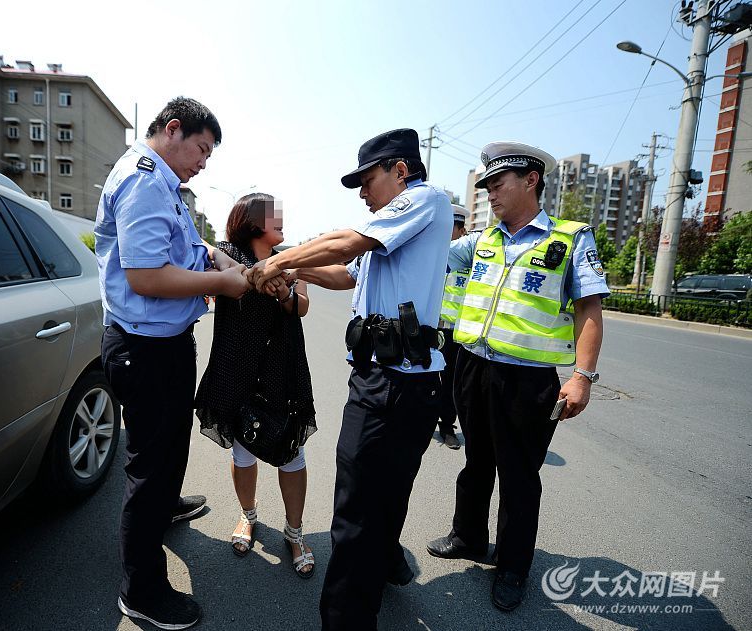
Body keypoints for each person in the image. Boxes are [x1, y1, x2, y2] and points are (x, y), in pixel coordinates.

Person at [247, 128, 453, 631]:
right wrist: (299, 273)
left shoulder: (424, 200)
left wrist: (276, 261)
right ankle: (384, 564)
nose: (363, 192)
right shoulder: (394, 225)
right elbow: (348, 271)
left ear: (400, 170)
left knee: (355, 511)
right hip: (396, 381)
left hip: (395, 383)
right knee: (386, 492)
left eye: (368, 179)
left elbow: (347, 241)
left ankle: (346, 620)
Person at [426, 142, 609, 612]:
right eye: (485, 186)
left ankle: (511, 567)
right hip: (473, 368)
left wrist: (582, 376)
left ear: (531, 180)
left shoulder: (569, 239)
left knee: (520, 476)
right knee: (476, 462)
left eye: (498, 184)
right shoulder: (482, 241)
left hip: (528, 381)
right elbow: (433, 258)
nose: (490, 194)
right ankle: (468, 537)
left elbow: (589, 308)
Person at [95, 97, 250, 630]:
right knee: (149, 467)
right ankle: (141, 591)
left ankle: (164, 506)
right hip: (145, 349)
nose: (204, 162)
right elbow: (146, 276)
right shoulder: (143, 180)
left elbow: (182, 244)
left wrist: (213, 255)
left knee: (167, 449)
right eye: (202, 149)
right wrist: (222, 283)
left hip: (164, 343)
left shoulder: (164, 184)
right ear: (174, 129)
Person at [194, 192, 318, 579]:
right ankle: (248, 516)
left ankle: (294, 533)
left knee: (290, 451)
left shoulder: (290, 257)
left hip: (282, 367)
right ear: (250, 220)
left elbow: (301, 307)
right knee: (243, 452)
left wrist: (283, 289)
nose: (281, 219)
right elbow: (204, 257)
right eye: (272, 214)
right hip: (236, 366)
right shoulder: (225, 252)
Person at [435, 204, 472, 450]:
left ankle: (447, 426)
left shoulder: (473, 258)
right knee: (425, 378)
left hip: (461, 333)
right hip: (435, 329)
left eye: (451, 228)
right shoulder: (435, 256)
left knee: (452, 384)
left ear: (460, 230)